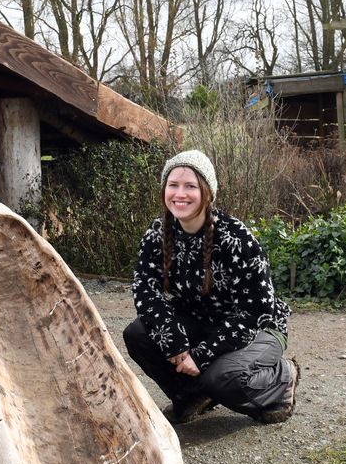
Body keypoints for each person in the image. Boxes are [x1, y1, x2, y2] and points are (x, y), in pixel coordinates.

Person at [123, 149, 298, 425]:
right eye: (173, 185)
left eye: (190, 186)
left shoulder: (237, 239)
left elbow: (256, 311)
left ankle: (281, 380)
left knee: (222, 377)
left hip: (258, 328)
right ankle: (191, 396)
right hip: (200, 321)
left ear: (207, 191)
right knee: (138, 334)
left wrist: (202, 355)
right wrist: (172, 337)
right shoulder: (158, 232)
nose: (180, 194)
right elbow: (145, 289)